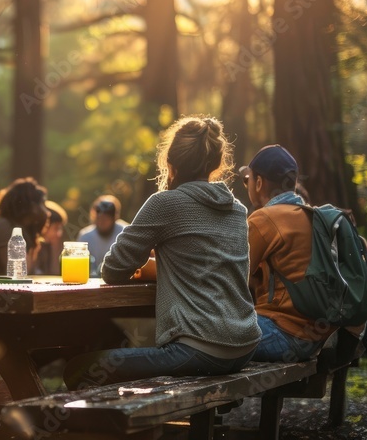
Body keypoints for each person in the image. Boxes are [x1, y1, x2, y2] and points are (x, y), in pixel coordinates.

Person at [63, 116, 261, 389]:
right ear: (215, 166)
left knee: (79, 368)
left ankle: (120, 429)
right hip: (245, 345)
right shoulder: (238, 210)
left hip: (198, 350)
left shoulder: (165, 203)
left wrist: (147, 249)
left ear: (171, 164)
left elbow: (112, 270)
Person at [241, 144, 333, 362]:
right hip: (315, 338)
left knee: (202, 337)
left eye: (248, 180)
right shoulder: (312, 215)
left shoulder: (264, 219)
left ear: (260, 182)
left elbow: (233, 275)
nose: (247, 185)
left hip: (282, 334)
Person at [0, 178, 48, 276]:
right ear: (33, 207)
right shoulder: (3, 227)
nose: (47, 212)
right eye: (43, 203)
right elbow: (17, 273)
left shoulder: (16, 228)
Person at [76, 195, 127, 278]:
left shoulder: (125, 234)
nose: (103, 221)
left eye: (107, 218)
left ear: (115, 217)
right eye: (100, 217)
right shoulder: (85, 237)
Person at [32, 200, 67, 275]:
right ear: (45, 225)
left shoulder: (49, 246)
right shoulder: (32, 245)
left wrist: (55, 248)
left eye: (60, 228)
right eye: (56, 228)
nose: (59, 233)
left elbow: (56, 273)